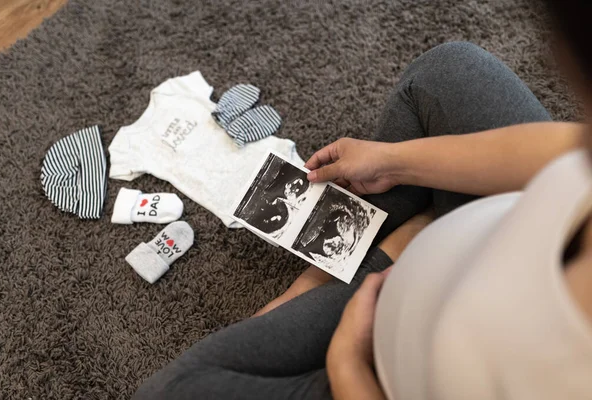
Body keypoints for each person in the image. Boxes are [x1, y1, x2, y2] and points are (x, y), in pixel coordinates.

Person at [134, 1, 592, 398]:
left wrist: (348, 365)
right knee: (443, 75)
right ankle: (400, 231)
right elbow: (564, 149)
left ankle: (370, 256)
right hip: (488, 232)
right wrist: (392, 161)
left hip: (399, 356)